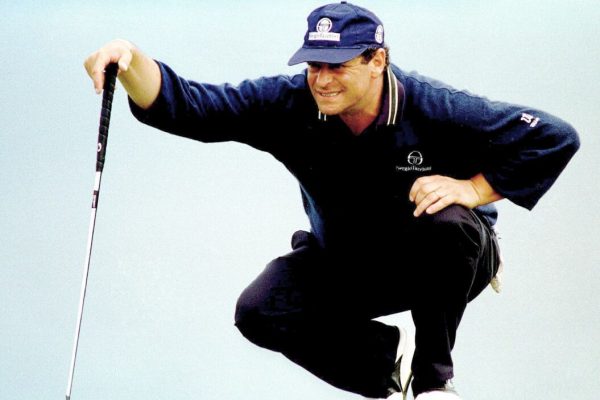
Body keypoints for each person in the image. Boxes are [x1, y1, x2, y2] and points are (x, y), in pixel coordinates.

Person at [83, 2, 580, 399]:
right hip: (349, 262)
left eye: (338, 66)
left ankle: (433, 380)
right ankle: (391, 367)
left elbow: (555, 136)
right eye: (313, 65)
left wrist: (473, 189)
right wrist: (129, 57)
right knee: (259, 310)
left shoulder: (435, 105)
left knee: (448, 222)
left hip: (443, 262)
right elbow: (191, 106)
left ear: (377, 61)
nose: (321, 80)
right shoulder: (289, 102)